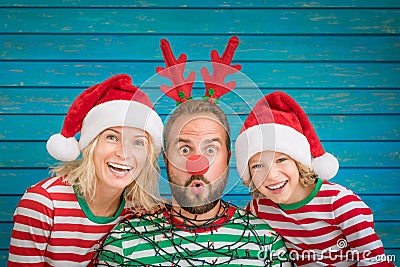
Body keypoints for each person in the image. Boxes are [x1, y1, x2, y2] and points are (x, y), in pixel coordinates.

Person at [94, 37, 293, 266]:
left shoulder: (266, 244)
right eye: (185, 148)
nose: (197, 163)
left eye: (211, 148)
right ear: (165, 159)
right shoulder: (123, 244)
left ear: (228, 158)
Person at [8, 74, 164, 266]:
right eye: (112, 138)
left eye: (138, 142)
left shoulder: (140, 210)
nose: (124, 154)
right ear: (90, 144)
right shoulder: (42, 205)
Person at [235, 91, 394, 266]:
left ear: (299, 162)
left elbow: (374, 261)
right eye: (257, 166)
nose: (271, 175)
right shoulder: (259, 209)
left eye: (281, 160)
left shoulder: (341, 203)